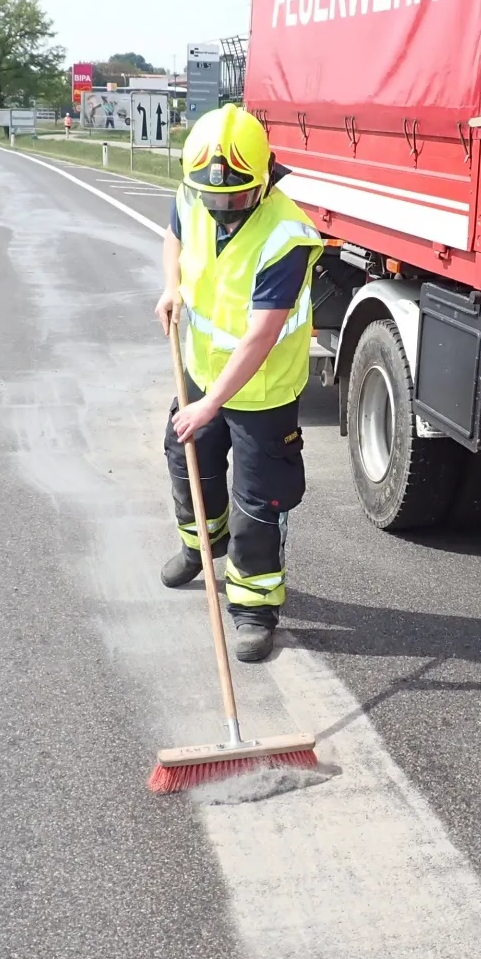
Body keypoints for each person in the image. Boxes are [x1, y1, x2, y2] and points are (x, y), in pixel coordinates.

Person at [155, 106, 323, 662]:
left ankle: (254, 606)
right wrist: (171, 287)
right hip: (201, 372)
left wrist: (209, 406)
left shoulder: (286, 238)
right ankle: (202, 549)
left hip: (262, 392)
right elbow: (175, 234)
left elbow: (260, 336)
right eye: (214, 200)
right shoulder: (194, 195)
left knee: (258, 500)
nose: (223, 211)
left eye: (237, 200)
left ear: (266, 178)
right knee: (187, 462)